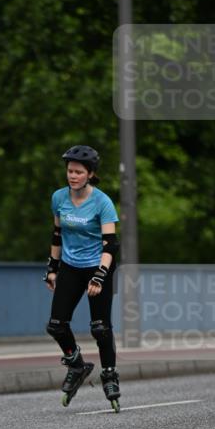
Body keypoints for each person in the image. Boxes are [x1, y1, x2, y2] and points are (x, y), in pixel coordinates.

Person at [44, 144, 121, 411]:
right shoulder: (59, 198)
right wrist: (52, 267)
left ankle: (109, 375)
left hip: (98, 266)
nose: (72, 176)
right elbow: (57, 235)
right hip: (70, 266)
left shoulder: (102, 202)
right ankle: (77, 365)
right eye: (69, 171)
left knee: (100, 327)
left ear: (90, 174)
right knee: (56, 325)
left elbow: (110, 244)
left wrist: (100, 276)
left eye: (78, 172)